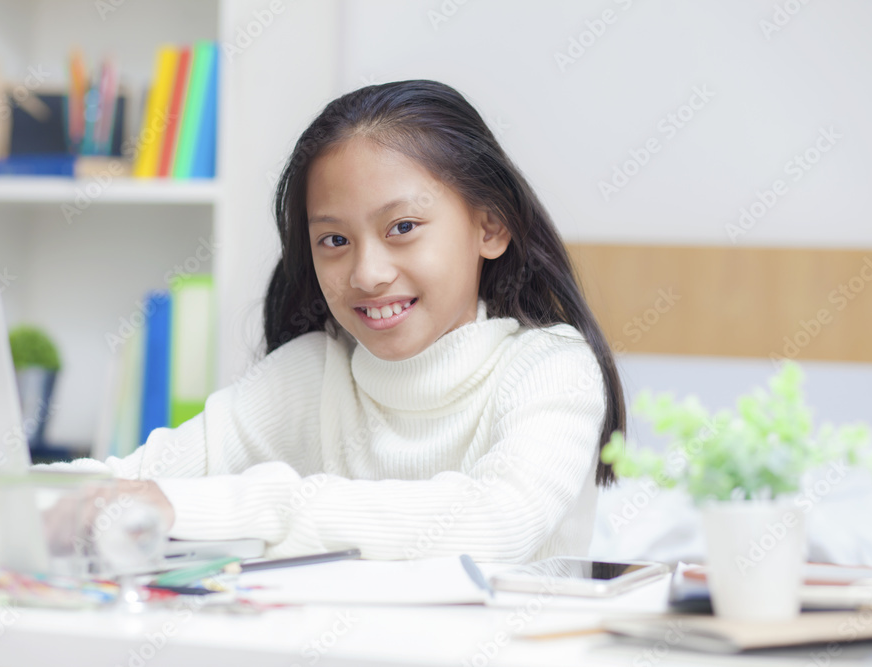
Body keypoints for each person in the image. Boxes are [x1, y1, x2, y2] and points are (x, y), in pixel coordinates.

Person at [45, 79, 625, 563]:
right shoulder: (312, 373)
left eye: (402, 228)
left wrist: (227, 508)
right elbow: (129, 480)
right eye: (334, 239)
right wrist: (19, 501)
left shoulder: (552, 368)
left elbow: (496, 523)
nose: (368, 273)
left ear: (490, 227)